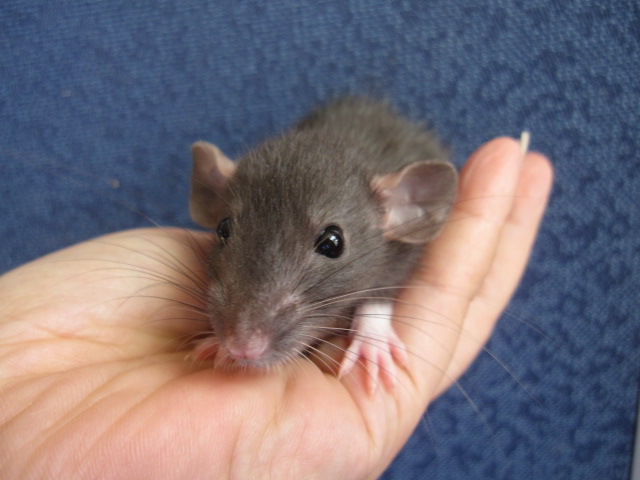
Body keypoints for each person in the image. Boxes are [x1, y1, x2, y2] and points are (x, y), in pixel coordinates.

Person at [0, 137, 552, 479]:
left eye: (329, 244)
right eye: (226, 230)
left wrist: (375, 315)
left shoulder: (383, 223)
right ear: (211, 196)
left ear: (406, 211)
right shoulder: (258, 194)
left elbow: (397, 266)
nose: (246, 337)